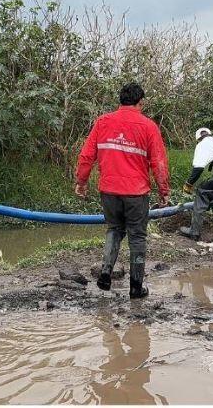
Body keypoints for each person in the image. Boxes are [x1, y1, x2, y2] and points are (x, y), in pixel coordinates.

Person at [75, 83, 170, 299]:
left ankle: (106, 273)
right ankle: (136, 288)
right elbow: (159, 163)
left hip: (109, 190)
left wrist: (81, 181)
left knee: (114, 229)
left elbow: (86, 155)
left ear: (120, 100)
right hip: (136, 193)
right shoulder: (148, 126)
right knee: (137, 237)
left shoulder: (103, 122)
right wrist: (163, 191)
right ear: (140, 102)